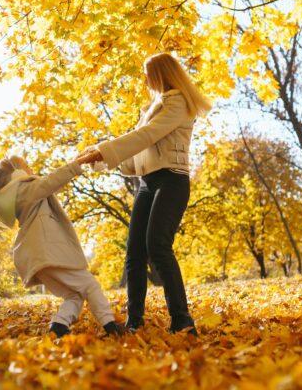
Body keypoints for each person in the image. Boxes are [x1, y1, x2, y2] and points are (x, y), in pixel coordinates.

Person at [79, 52, 212, 335]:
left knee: (158, 246)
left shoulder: (178, 103)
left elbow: (148, 135)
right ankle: (134, 321)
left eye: (147, 73)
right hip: (148, 183)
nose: (144, 79)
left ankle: (182, 319)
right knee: (134, 253)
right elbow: (139, 148)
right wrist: (100, 158)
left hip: (172, 180)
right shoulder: (154, 107)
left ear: (160, 74)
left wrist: (104, 149)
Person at [0, 154, 126, 337]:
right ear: (17, 172)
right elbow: (51, 182)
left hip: (40, 257)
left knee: (74, 295)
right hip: (48, 252)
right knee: (90, 285)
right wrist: (77, 164)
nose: (31, 168)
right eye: (26, 165)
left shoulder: (18, 194)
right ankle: (111, 326)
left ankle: (59, 325)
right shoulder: (25, 188)